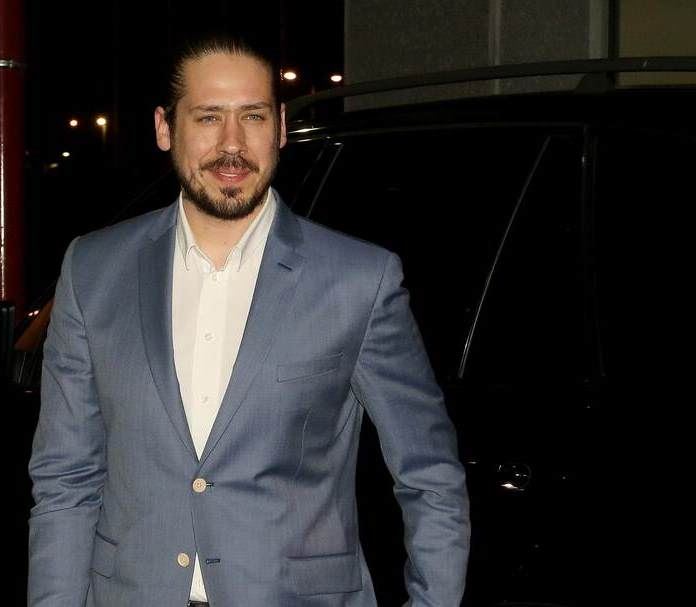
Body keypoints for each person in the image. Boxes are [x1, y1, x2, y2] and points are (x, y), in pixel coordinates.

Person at [28, 33, 469, 607]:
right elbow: (66, 479)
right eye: (209, 117)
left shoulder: (360, 280)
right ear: (165, 128)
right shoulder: (93, 269)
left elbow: (430, 475)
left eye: (253, 117)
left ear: (280, 128)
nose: (232, 144)